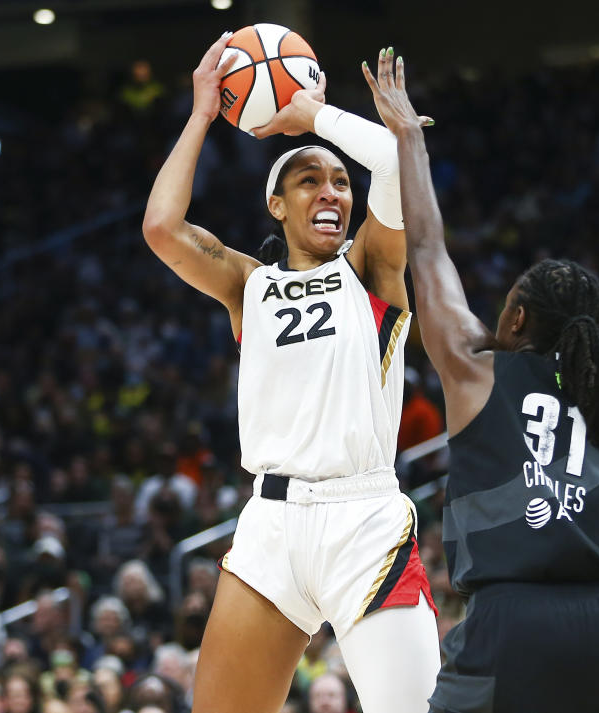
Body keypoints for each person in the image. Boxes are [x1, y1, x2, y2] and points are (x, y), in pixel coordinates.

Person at [362, 47, 599, 711]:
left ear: (517, 314)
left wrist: (408, 137)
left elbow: (428, 249)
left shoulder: (474, 371)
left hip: (510, 622)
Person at [142, 36, 439, 713]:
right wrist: (200, 116)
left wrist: (312, 115)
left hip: (362, 517)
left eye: (339, 181)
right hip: (272, 522)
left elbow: (394, 157)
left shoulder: (371, 269)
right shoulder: (249, 283)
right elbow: (161, 226)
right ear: (277, 204)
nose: (332, 191)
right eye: (310, 180)